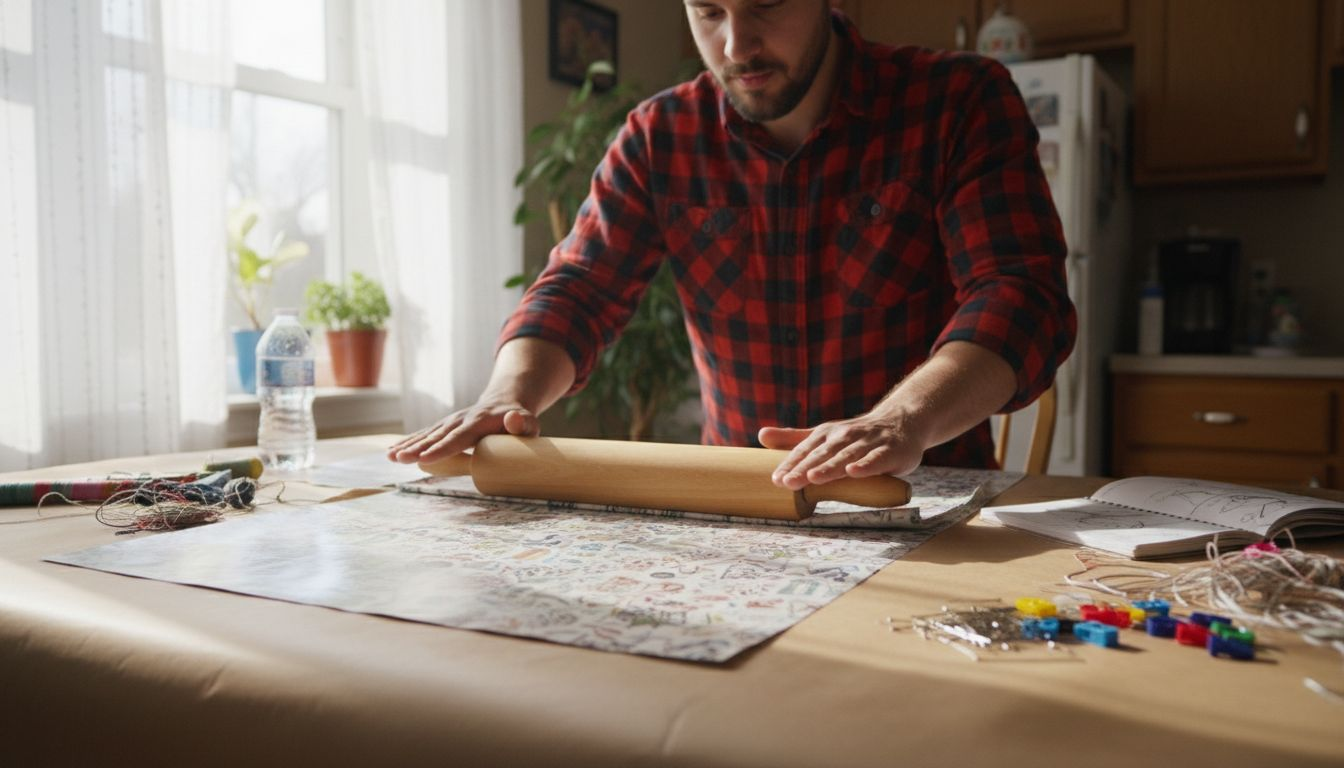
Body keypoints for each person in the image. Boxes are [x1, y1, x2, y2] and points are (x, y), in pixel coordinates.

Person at [389, 0, 1075, 491]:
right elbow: (579, 289)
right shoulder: (660, 136)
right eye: (709, 11)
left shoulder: (959, 100)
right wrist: (505, 396)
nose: (737, 45)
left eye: (767, 5)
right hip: (747, 504)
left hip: (928, 498)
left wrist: (903, 420)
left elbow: (1019, 295)